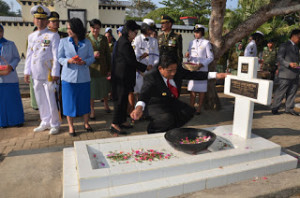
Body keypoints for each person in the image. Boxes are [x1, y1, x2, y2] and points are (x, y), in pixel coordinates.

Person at [130, 54, 227, 134]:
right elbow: (144, 93)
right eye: (170, 71)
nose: (173, 73)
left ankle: (170, 130)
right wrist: (139, 108)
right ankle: (153, 131)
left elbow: (194, 74)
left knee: (188, 111)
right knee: (167, 118)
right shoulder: (151, 76)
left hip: (169, 99)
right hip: (154, 103)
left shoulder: (177, 70)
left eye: (175, 70)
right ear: (160, 68)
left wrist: (216, 75)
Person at [24, 5, 61, 135]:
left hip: (48, 73)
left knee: (51, 98)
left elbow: (56, 56)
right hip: (36, 72)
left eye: (42, 19)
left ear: (46, 21)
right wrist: (27, 71)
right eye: (37, 19)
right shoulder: (31, 36)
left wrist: (56, 72)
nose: (39, 22)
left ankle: (55, 123)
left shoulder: (52, 36)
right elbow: (29, 54)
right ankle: (45, 121)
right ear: (34, 20)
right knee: (40, 98)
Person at [111, 20, 151, 135]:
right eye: (135, 32)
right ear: (129, 32)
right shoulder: (123, 43)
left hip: (126, 77)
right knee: (119, 101)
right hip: (121, 77)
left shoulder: (125, 42)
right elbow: (131, 61)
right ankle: (114, 124)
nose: (135, 35)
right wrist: (145, 67)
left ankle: (122, 120)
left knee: (124, 101)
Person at [58, 18, 95, 136]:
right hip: (68, 78)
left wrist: (84, 62)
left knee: (84, 101)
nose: (68, 30)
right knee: (69, 102)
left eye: (70, 28)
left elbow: (91, 57)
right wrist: (69, 60)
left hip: (83, 77)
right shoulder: (63, 41)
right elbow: (59, 58)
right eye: (67, 28)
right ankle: (71, 126)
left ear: (77, 29)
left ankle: (86, 123)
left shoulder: (87, 42)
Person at [131, 19, 159, 113]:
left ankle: (147, 111)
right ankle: (139, 111)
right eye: (149, 29)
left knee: (149, 92)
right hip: (139, 71)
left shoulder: (154, 41)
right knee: (139, 92)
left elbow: (157, 55)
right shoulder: (137, 39)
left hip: (150, 70)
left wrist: (152, 65)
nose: (151, 31)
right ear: (144, 28)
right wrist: (142, 58)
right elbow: (134, 57)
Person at [185, 24, 214, 115]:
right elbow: (190, 56)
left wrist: (202, 64)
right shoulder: (191, 43)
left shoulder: (206, 43)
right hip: (193, 69)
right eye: (195, 32)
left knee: (201, 90)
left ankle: (199, 109)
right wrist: (188, 56)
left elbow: (210, 57)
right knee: (192, 90)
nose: (196, 34)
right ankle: (191, 107)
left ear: (202, 32)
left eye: (198, 32)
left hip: (202, 69)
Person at [86, 19, 112, 119]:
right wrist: (92, 55)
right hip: (91, 69)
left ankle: (106, 104)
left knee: (104, 88)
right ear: (90, 28)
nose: (96, 30)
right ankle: (92, 110)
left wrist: (109, 68)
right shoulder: (86, 38)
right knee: (92, 91)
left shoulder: (103, 39)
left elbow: (107, 54)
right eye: (94, 28)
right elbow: (83, 53)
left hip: (103, 67)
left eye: (98, 28)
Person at [271, 29, 300, 116]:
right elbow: (280, 58)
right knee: (281, 92)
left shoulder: (297, 47)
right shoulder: (284, 45)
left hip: (295, 73)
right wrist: (288, 64)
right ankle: (275, 107)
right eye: (299, 37)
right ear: (294, 36)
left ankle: (289, 108)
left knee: (292, 92)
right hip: (286, 74)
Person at [0, 24, 24, 128]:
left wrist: (11, 66)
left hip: (10, 77)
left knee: (13, 100)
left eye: (0, 31)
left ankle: (17, 120)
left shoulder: (10, 44)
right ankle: (3, 122)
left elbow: (16, 58)